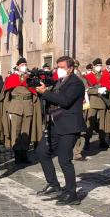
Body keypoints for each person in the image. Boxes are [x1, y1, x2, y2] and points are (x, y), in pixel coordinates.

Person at [35, 56, 86, 206]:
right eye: (57, 67)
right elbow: (52, 98)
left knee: (64, 159)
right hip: (55, 123)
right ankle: (53, 184)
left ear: (70, 68)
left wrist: (45, 92)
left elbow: (64, 101)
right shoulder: (59, 81)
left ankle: (72, 194)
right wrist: (42, 91)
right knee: (42, 151)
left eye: (62, 67)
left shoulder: (76, 83)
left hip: (70, 125)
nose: (59, 70)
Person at [0, 58, 42, 165]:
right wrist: (7, 108)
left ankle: (24, 155)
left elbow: (36, 92)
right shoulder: (12, 78)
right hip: (15, 107)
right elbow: (5, 95)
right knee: (16, 132)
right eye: (22, 64)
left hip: (28, 107)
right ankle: (17, 155)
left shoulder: (30, 78)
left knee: (26, 132)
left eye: (25, 64)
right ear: (17, 66)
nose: (24, 66)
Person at [83, 58, 110, 150]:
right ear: (94, 66)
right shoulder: (89, 76)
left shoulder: (104, 75)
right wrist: (97, 90)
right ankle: (86, 141)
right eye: (97, 66)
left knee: (102, 122)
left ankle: (102, 140)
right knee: (90, 122)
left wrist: (105, 89)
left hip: (102, 102)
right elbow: (87, 90)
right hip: (93, 102)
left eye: (100, 65)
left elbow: (108, 86)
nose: (99, 67)